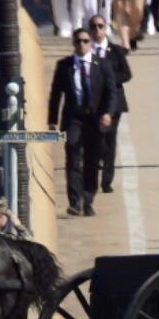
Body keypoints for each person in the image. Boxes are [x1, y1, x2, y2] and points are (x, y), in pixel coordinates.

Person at [48, 26, 116, 216]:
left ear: (90, 43)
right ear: (73, 44)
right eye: (78, 41)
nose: (82, 45)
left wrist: (108, 113)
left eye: (86, 41)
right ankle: (75, 201)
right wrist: (52, 120)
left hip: (95, 118)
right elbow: (56, 94)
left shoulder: (102, 65)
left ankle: (88, 199)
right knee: (72, 156)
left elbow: (111, 92)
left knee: (92, 160)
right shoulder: (64, 66)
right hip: (74, 118)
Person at [89, 17, 131, 193]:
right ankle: (92, 175)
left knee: (110, 141)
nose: (97, 30)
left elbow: (127, 74)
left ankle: (107, 180)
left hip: (113, 102)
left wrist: (110, 80)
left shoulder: (116, 51)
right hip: (92, 102)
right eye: (94, 27)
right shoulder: (86, 49)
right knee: (94, 140)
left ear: (105, 28)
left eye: (100, 26)